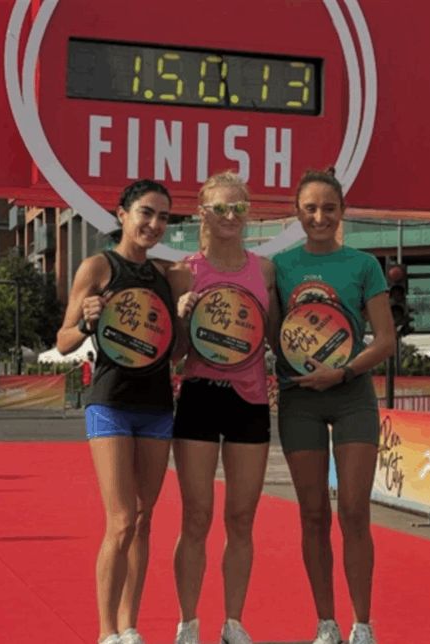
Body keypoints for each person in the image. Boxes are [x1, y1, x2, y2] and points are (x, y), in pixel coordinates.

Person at [55, 179, 188, 644]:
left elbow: (176, 354)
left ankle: (130, 626)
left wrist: (184, 316)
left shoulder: (168, 276)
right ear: (122, 214)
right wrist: (87, 321)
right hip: (110, 402)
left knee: (145, 519)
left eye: (163, 217)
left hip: (157, 406)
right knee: (122, 519)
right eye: (146, 212)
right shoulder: (98, 266)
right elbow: (63, 341)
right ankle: (106, 631)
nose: (154, 224)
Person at [272, 168, 395, 644]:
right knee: (312, 514)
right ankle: (326, 623)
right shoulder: (280, 266)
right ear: (297, 213)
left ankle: (362, 623)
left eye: (328, 208)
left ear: (342, 212)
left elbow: (385, 341)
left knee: (354, 511)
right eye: (310, 208)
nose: (319, 217)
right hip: (299, 398)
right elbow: (273, 334)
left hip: (351, 396)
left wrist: (342, 373)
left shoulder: (364, 265)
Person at [170, 172, 278, 644]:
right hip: (199, 395)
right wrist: (181, 317)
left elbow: (278, 337)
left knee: (241, 519)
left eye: (239, 207)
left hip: (249, 400)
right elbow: (174, 353)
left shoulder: (266, 270)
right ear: (203, 213)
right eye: (220, 208)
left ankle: (234, 622)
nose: (230, 216)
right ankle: (188, 622)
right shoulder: (183, 272)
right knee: (196, 516)